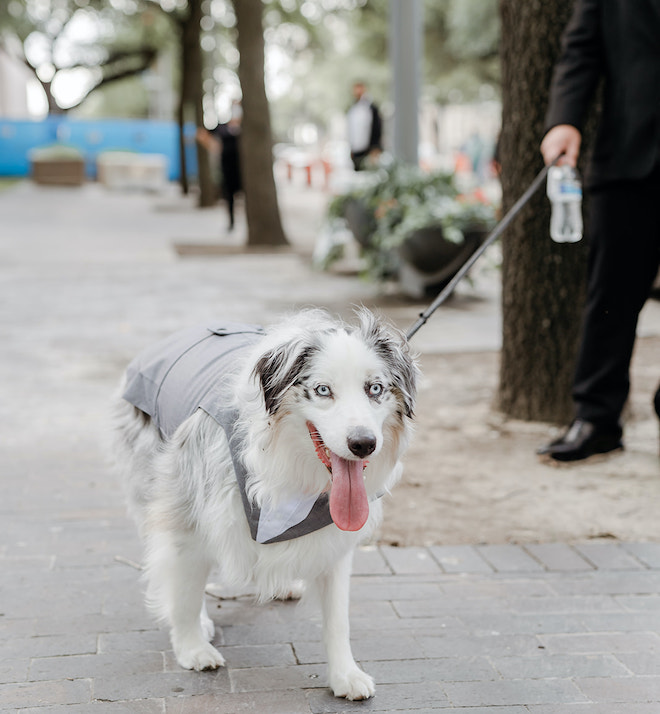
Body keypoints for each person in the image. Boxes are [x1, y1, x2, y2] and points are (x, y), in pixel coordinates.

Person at [537, 0, 660, 462]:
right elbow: (581, 51)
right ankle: (596, 418)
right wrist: (564, 118)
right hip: (629, 155)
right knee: (611, 292)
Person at [196, 101, 243, 230]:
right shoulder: (222, 127)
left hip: (243, 168)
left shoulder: (246, 127)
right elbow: (201, 134)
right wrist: (214, 147)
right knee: (229, 195)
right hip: (227, 167)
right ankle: (231, 223)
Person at [346, 82, 382, 171]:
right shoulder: (353, 109)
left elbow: (377, 128)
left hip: (369, 150)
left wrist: (375, 147)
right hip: (356, 150)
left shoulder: (371, 108)